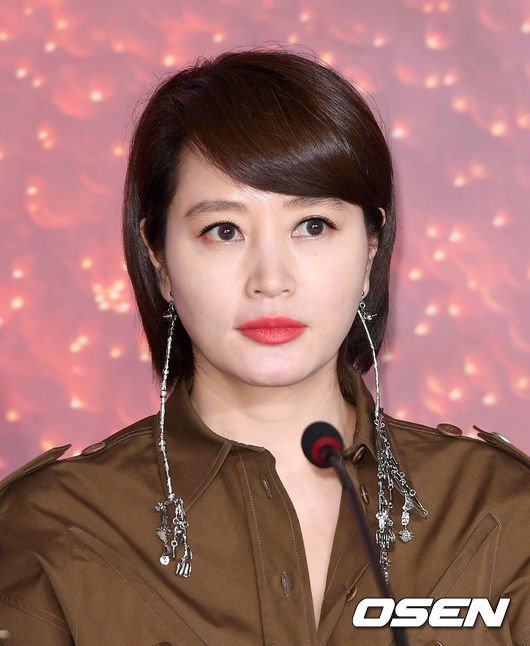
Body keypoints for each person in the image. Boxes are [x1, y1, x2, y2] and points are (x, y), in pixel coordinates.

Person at [0, 46, 529, 646]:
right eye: (224, 231)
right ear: (160, 259)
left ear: (370, 250)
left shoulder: (499, 508)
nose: (271, 279)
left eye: (313, 226)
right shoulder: (49, 529)